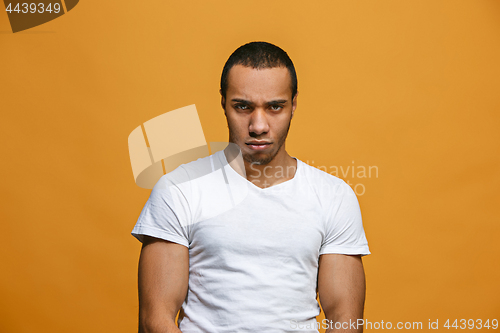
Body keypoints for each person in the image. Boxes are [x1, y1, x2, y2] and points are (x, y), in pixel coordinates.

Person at [131, 41, 370, 333]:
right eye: (243, 106)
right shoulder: (179, 190)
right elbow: (155, 320)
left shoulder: (334, 196)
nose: (258, 125)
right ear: (223, 103)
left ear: (293, 104)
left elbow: (345, 320)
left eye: (275, 107)